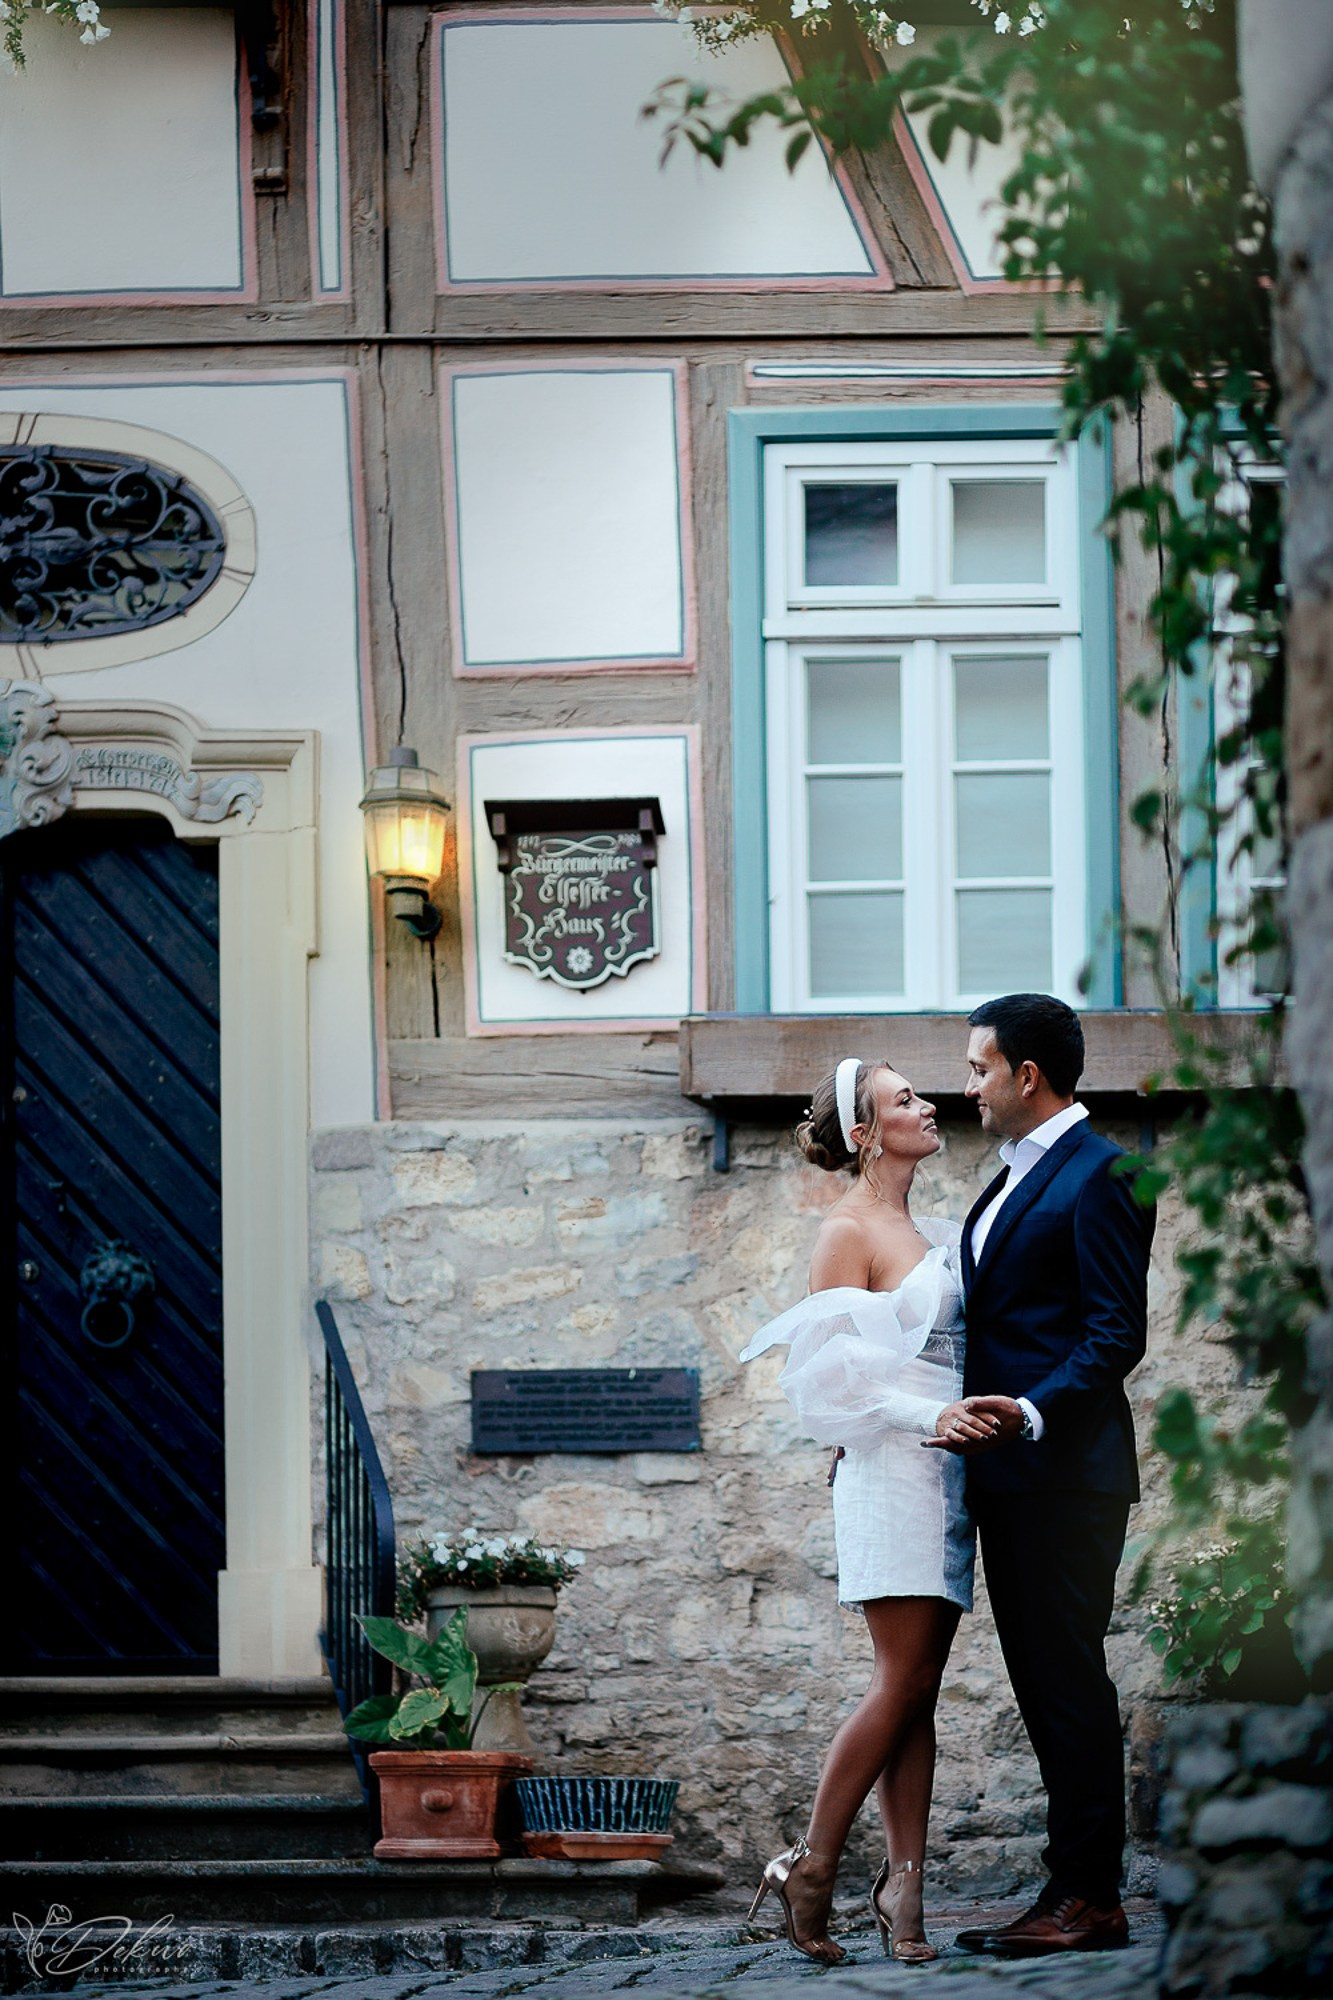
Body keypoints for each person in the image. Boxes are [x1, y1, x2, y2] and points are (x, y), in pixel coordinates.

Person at [738, 1056, 1013, 1964]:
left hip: (950, 1472)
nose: (928, 1106)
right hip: (891, 1468)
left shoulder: (932, 1228)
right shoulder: (844, 1229)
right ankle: (812, 1864)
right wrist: (926, 1416)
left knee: (918, 1688)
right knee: (901, 1680)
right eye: (904, 1100)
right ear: (864, 1133)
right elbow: (827, 1378)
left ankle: (905, 1885)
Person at [925, 993, 1156, 1959]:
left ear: (1027, 1075)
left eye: (978, 1068)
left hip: (1064, 1476)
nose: (967, 1086)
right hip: (1015, 1480)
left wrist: (1026, 1412)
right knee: (1044, 1681)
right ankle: (1073, 1887)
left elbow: (1114, 1334)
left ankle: (1089, 1897)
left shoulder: (1103, 1173)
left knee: (1065, 1681)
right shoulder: (1010, 1178)